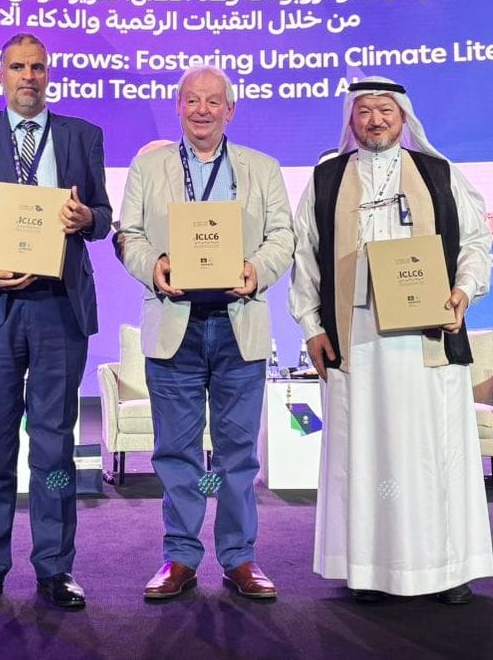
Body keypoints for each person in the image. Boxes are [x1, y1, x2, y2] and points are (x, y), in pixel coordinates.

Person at [289, 75, 493, 605]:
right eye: (364, 112)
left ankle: (449, 567)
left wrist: (462, 293)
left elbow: (475, 243)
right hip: (358, 343)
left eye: (386, 110)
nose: (375, 120)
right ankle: (371, 566)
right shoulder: (328, 178)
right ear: (350, 120)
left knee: (436, 455)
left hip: (426, 342)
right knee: (369, 453)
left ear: (405, 118)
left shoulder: (438, 172)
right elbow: (304, 260)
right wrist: (312, 326)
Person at [0, 32, 110, 611]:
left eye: (36, 67)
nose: (27, 76)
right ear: (1, 75)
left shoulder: (83, 135)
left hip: (59, 309)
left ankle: (56, 568)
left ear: (49, 73)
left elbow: (103, 216)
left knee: (55, 447)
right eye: (16, 67)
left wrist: (87, 218)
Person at [117, 65, 294, 601]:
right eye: (191, 100)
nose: (201, 109)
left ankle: (240, 558)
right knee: (176, 450)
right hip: (177, 325)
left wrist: (256, 271)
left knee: (240, 451)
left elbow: (283, 235)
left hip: (239, 325)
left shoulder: (261, 169)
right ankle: (180, 557)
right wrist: (155, 266)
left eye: (213, 102)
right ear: (177, 106)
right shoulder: (148, 168)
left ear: (230, 110)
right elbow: (128, 235)